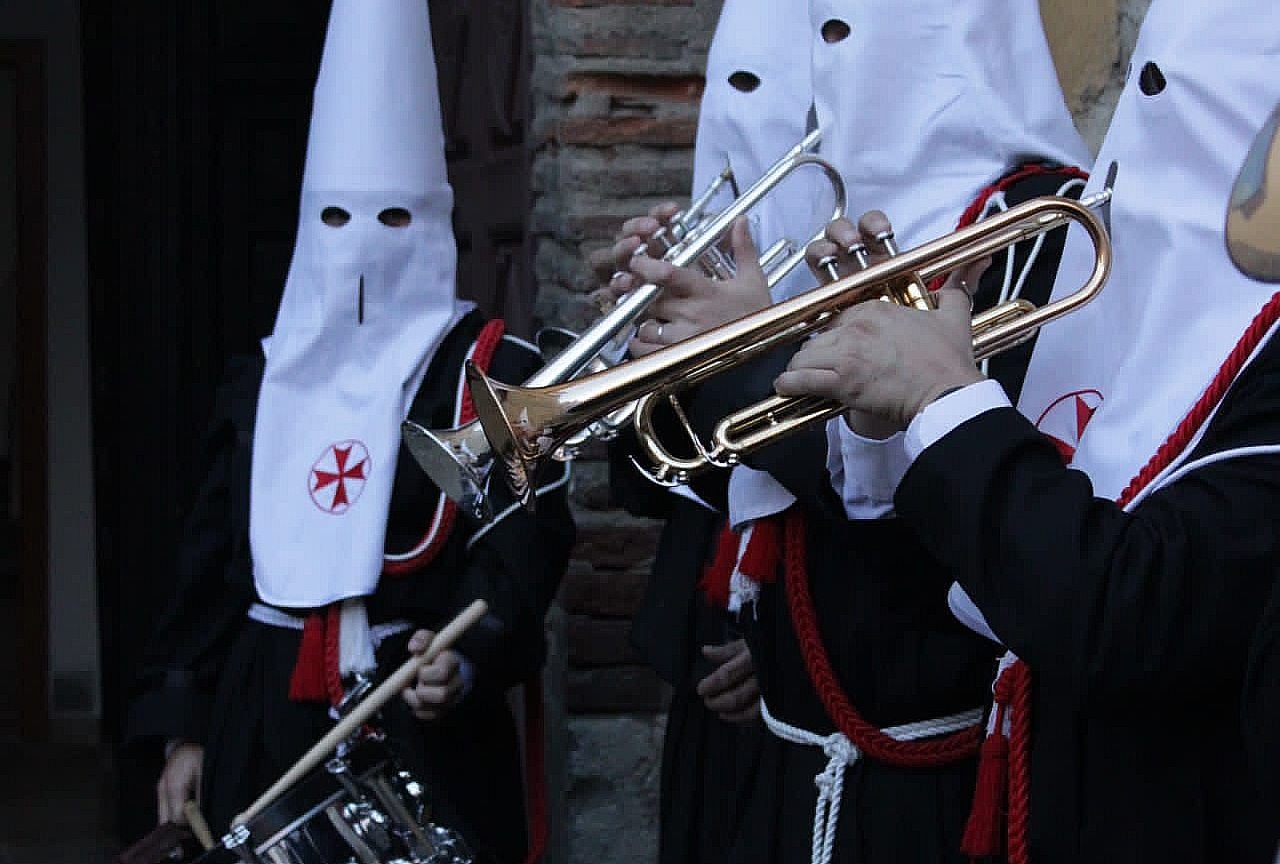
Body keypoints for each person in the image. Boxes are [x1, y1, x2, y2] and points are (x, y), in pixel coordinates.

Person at [773, 0, 1280, 860]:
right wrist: (884, 419)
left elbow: (1129, 609)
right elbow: (983, 556)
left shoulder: (1254, 359)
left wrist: (943, 398)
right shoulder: (1118, 286)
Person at [603, 2, 1090, 862]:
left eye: (838, 46)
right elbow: (660, 485)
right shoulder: (794, 242)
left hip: (936, 763)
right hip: (782, 751)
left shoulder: (1037, 229)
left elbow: (972, 511)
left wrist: (748, 354)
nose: (805, 110)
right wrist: (647, 355)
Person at [125, 3, 574, 863]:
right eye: (337, 219)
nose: (364, 249)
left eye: (394, 220)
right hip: (263, 727)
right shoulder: (264, 379)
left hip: (419, 721)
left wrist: (469, 657)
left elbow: (524, 548)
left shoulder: (491, 371)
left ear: (433, 220)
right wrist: (184, 728)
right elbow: (210, 570)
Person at [600, 1, 816, 862]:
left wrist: (794, 648)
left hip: (825, 681)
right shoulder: (702, 258)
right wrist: (631, 352)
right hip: (707, 666)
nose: (736, 125)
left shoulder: (873, 255)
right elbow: (645, 487)